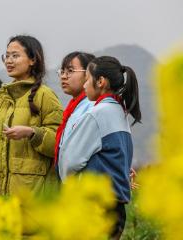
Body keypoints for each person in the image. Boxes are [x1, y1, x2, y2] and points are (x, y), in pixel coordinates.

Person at [0, 35, 63, 199]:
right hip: (0, 191)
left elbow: (58, 143)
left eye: (15, 56)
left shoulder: (45, 96)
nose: (9, 61)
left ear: (33, 59)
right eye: (6, 56)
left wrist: (32, 133)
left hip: (31, 193)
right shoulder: (3, 96)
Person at [58, 56, 141, 239]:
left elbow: (69, 161)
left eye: (87, 79)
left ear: (101, 81)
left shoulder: (97, 113)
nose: (85, 85)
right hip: (116, 207)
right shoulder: (121, 112)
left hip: (94, 205)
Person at [54, 51, 95, 169]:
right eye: (62, 71)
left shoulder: (91, 108)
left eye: (70, 71)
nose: (63, 76)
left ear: (89, 74)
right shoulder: (75, 106)